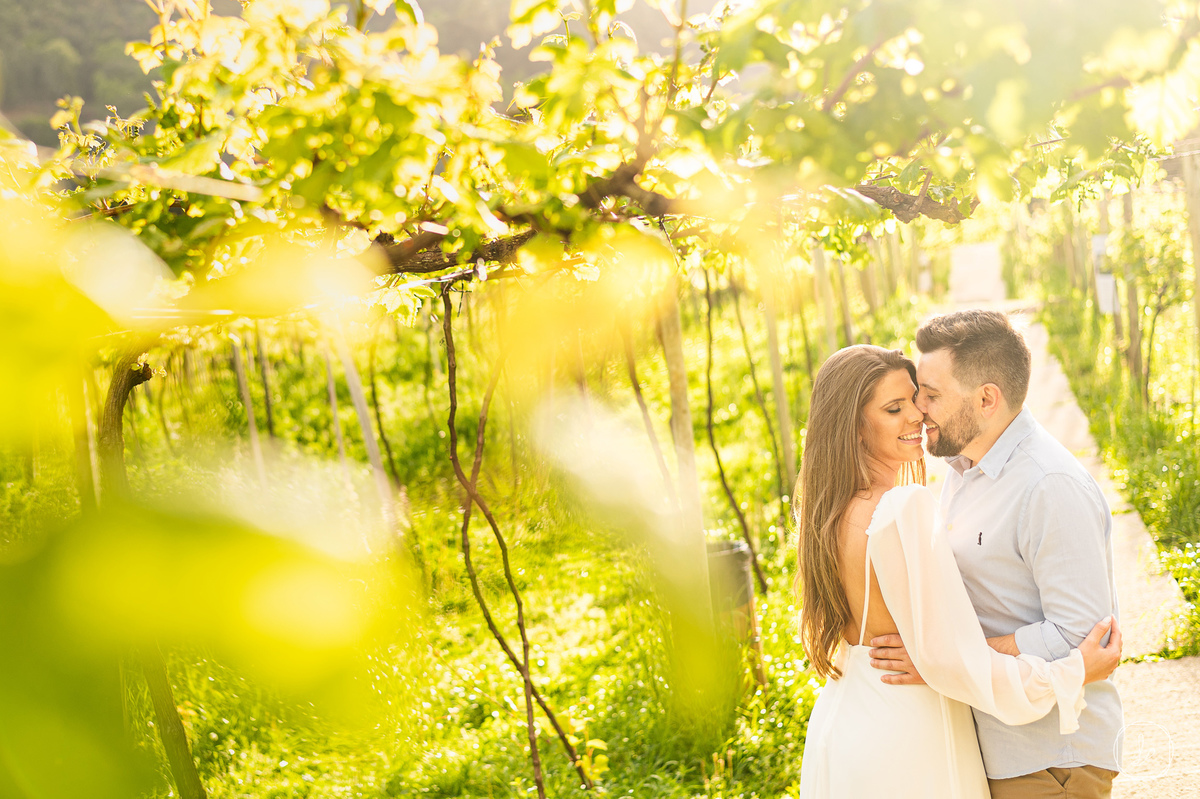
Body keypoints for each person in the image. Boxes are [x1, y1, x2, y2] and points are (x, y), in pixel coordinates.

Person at [794, 344, 1121, 799]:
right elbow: (960, 664)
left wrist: (937, 659)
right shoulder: (903, 508)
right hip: (910, 733)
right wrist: (1072, 671)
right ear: (855, 426)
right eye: (895, 408)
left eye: (918, 398)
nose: (917, 415)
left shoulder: (829, 513)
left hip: (845, 726)